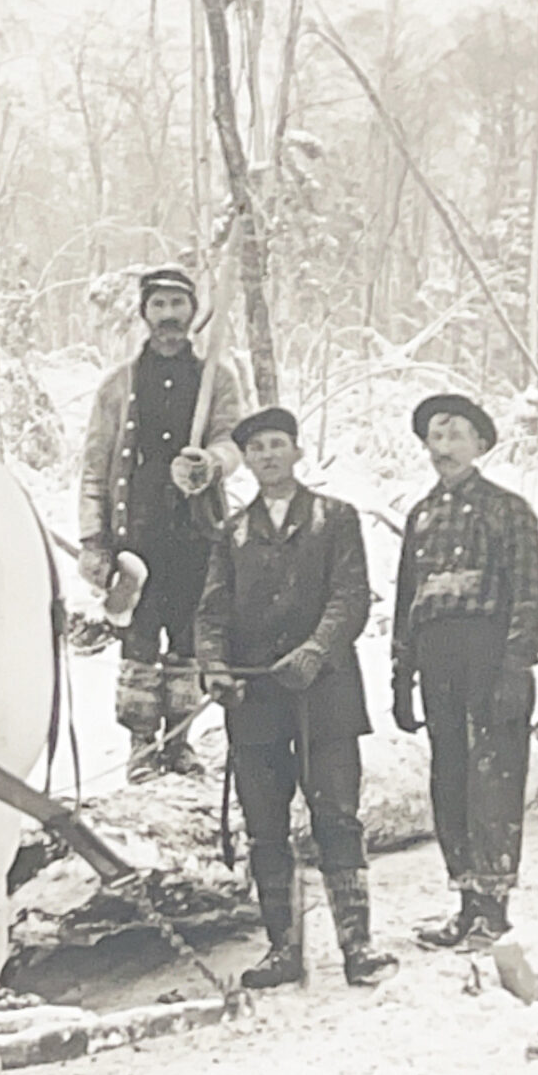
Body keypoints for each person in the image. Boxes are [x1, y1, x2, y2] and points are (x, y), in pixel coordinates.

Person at [195, 407, 395, 990]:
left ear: (297, 453)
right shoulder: (230, 532)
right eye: (256, 449)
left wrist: (315, 651)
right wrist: (213, 668)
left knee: (337, 818)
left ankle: (358, 948)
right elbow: (211, 611)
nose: (267, 456)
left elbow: (350, 596)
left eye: (277, 445)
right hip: (255, 703)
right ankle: (284, 951)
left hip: (326, 699)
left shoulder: (335, 519)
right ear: (247, 462)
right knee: (265, 829)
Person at [388, 393, 538, 949]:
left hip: (492, 659)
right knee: (450, 781)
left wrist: (515, 666)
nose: (444, 448)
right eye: (436, 436)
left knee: (495, 780)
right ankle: (464, 902)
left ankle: (494, 908)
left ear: (480, 445)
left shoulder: (508, 510)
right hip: (440, 665)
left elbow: (530, 593)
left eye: (456, 435)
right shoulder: (421, 517)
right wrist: (401, 677)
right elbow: (407, 602)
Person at [79, 265, 245, 781]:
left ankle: (180, 742)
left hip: (196, 533)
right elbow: (94, 465)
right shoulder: (118, 386)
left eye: (177, 305)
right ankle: (141, 744)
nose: (169, 316)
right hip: (137, 538)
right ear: (145, 314)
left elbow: (233, 438)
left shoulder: (217, 377)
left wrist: (211, 464)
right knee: (140, 642)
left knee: (189, 640)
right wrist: (93, 539)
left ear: (192, 312)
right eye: (159, 306)